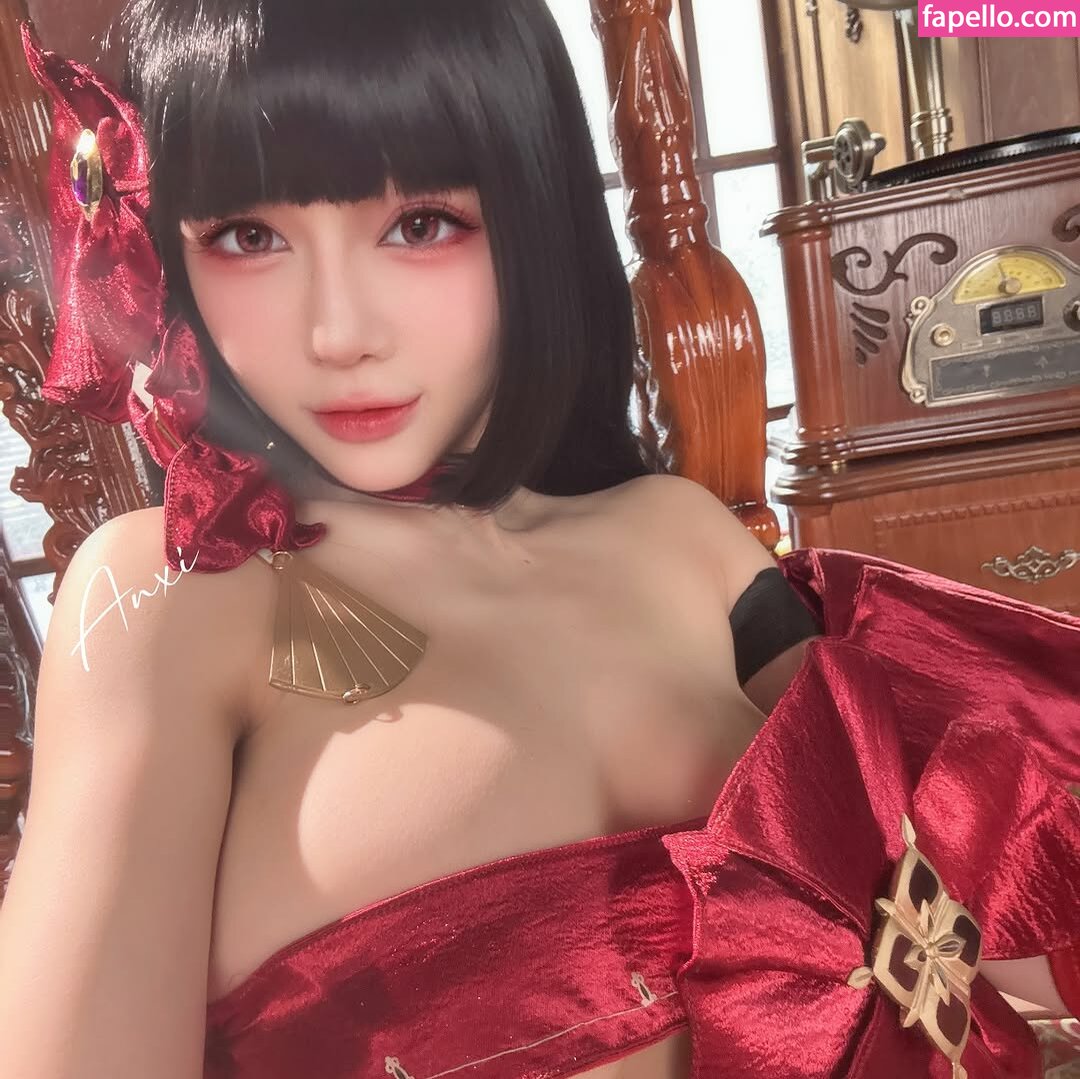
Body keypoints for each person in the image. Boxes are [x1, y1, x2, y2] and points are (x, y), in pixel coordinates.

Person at [0, 2, 1075, 1078]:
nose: (339, 332)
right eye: (249, 237)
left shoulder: (678, 536)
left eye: (421, 224)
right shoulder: (165, 597)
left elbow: (1003, 884)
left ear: (533, 214)